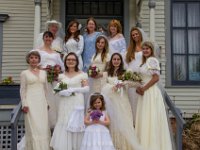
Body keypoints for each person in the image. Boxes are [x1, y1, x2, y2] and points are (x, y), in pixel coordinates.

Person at [135, 41, 173, 150]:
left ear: (151, 50)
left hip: (150, 93)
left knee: (150, 118)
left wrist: (143, 88)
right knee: (145, 118)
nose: (145, 50)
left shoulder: (152, 60)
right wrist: (138, 86)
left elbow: (156, 78)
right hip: (143, 93)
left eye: (148, 48)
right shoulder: (144, 62)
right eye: (144, 48)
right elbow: (142, 78)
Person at [101, 53, 143, 150]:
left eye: (118, 59)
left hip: (122, 100)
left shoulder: (126, 72)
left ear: (121, 61)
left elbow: (137, 83)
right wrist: (113, 87)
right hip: (111, 101)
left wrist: (124, 83)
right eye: (114, 59)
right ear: (111, 61)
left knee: (125, 122)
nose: (116, 61)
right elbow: (103, 87)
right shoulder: (107, 73)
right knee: (113, 123)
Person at [50, 52, 89, 150]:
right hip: (64, 102)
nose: (70, 61)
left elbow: (86, 89)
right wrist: (62, 92)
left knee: (75, 122)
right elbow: (56, 90)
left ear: (76, 62)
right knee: (64, 121)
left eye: (73, 60)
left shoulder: (82, 74)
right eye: (68, 60)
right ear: (65, 61)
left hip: (77, 101)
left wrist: (74, 90)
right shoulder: (61, 76)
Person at [19, 51, 50, 150]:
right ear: (28, 60)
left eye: (36, 58)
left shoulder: (43, 73)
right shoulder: (24, 73)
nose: (33, 59)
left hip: (41, 102)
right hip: (30, 103)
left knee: (43, 127)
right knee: (33, 128)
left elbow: (46, 89)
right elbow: (22, 90)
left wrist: (47, 102)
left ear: (39, 60)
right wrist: (24, 104)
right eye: (31, 57)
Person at [36, 31, 64, 129]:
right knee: (46, 100)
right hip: (43, 78)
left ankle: (55, 125)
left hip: (54, 78)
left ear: (52, 39)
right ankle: (44, 125)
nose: (48, 39)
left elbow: (61, 67)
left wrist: (56, 70)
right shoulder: (38, 51)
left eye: (50, 37)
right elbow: (34, 65)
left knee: (55, 100)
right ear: (43, 38)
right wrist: (43, 69)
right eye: (46, 37)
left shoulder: (56, 53)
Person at [124, 27, 146, 124]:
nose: (135, 36)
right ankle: (133, 124)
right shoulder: (130, 49)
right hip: (132, 79)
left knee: (141, 103)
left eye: (136, 34)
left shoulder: (145, 47)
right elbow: (127, 64)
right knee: (132, 102)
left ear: (140, 34)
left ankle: (142, 125)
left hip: (142, 78)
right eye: (133, 35)